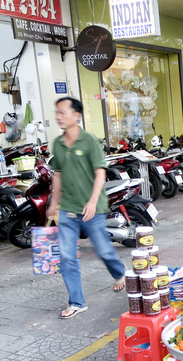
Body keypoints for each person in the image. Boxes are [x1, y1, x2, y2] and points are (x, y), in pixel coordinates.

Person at [47, 97, 127, 319]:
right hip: (67, 210)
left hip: (92, 208)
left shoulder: (89, 140)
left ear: (77, 116)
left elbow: (100, 172)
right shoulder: (58, 143)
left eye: (63, 112)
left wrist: (92, 202)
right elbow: (58, 175)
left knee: (103, 250)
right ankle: (77, 302)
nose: (58, 116)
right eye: (57, 112)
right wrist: (54, 203)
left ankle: (120, 273)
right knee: (66, 256)